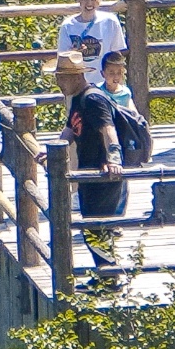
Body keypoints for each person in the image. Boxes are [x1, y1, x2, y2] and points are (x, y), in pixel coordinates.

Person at [56, 48, 126, 268]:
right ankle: (106, 275)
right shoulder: (77, 99)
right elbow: (71, 128)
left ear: (76, 77)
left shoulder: (93, 99)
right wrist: (53, 150)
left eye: (61, 78)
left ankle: (110, 277)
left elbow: (109, 131)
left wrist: (114, 159)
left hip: (102, 174)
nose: (58, 83)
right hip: (88, 171)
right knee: (92, 229)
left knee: (97, 229)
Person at [55, 0, 127, 97]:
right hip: (78, 87)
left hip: (105, 85)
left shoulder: (110, 21)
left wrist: (117, 82)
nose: (89, 3)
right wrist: (74, 54)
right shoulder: (68, 25)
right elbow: (62, 57)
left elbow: (117, 55)